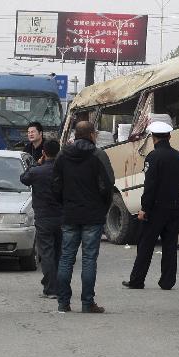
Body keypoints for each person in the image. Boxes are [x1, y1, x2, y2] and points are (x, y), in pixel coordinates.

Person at [52, 121, 114, 314]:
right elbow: (108, 185)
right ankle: (87, 303)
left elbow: (55, 184)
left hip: (70, 213)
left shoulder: (63, 155)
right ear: (92, 135)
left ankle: (63, 303)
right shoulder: (98, 155)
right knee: (89, 259)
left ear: (75, 134)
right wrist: (103, 207)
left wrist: (64, 203)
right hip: (93, 215)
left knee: (66, 258)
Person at [123, 121, 179, 291]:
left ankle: (137, 280)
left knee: (145, 244)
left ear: (153, 138)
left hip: (156, 209)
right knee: (170, 245)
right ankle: (167, 281)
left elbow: (150, 186)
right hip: (175, 207)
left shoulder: (153, 157)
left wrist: (144, 208)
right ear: (169, 136)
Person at [20, 140, 63, 298]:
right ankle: (58, 286)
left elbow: (23, 178)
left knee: (46, 253)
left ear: (43, 152)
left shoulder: (38, 171)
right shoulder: (63, 171)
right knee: (58, 253)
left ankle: (51, 289)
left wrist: (36, 165)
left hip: (44, 216)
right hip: (61, 216)